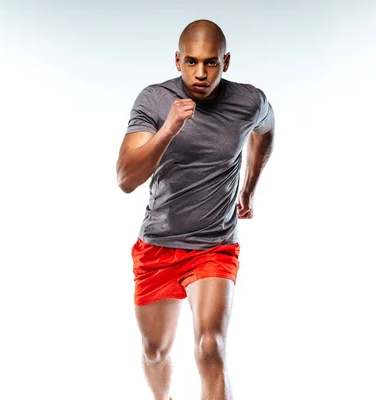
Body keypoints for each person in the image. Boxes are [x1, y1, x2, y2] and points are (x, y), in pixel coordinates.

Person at [116, 19, 275, 400]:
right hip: (158, 244)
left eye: (211, 63)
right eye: (191, 62)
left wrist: (249, 189)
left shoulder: (249, 101)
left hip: (214, 245)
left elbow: (266, 130)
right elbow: (125, 178)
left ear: (226, 62)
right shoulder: (154, 101)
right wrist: (168, 128)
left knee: (210, 346)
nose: (201, 73)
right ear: (177, 61)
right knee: (155, 351)